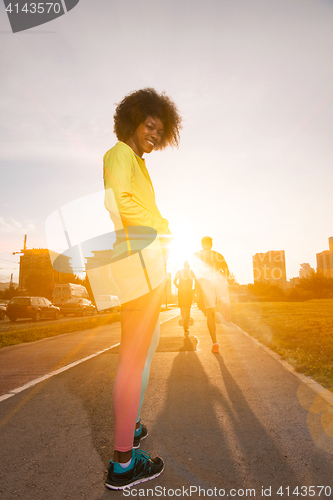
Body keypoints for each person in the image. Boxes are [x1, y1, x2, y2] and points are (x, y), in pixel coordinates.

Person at [103, 88, 182, 490]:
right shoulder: (119, 153)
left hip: (148, 266)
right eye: (149, 125)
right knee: (133, 358)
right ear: (133, 119)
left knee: (145, 350)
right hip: (135, 266)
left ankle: (130, 426)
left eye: (160, 130)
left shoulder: (136, 160)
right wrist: (163, 226)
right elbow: (121, 203)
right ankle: (122, 464)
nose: (154, 134)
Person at [192, 236, 231, 353]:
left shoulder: (196, 255)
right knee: (223, 299)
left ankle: (215, 344)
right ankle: (222, 302)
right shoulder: (218, 255)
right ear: (211, 244)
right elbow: (227, 271)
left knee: (210, 314)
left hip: (205, 282)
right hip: (218, 279)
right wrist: (224, 281)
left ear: (201, 244)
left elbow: (195, 274)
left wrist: (197, 289)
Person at [173, 261, 195, 335]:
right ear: (188, 266)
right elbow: (196, 280)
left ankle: (184, 320)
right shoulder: (191, 272)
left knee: (182, 308)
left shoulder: (179, 272)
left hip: (181, 292)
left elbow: (174, 281)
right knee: (188, 309)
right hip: (188, 292)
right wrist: (194, 289)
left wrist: (177, 286)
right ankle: (186, 327)